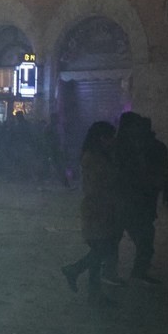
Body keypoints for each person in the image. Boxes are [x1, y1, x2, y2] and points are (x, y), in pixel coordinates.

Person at [61, 121, 119, 306]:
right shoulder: (93, 158)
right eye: (110, 137)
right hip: (97, 209)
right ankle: (75, 269)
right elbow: (95, 186)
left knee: (100, 249)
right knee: (103, 249)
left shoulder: (100, 156)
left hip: (102, 208)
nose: (113, 141)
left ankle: (95, 293)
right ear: (101, 138)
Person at [111, 112, 162, 285]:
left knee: (122, 239)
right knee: (142, 237)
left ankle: (126, 272)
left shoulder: (132, 146)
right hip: (127, 201)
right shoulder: (123, 148)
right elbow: (129, 174)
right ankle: (133, 272)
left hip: (129, 201)